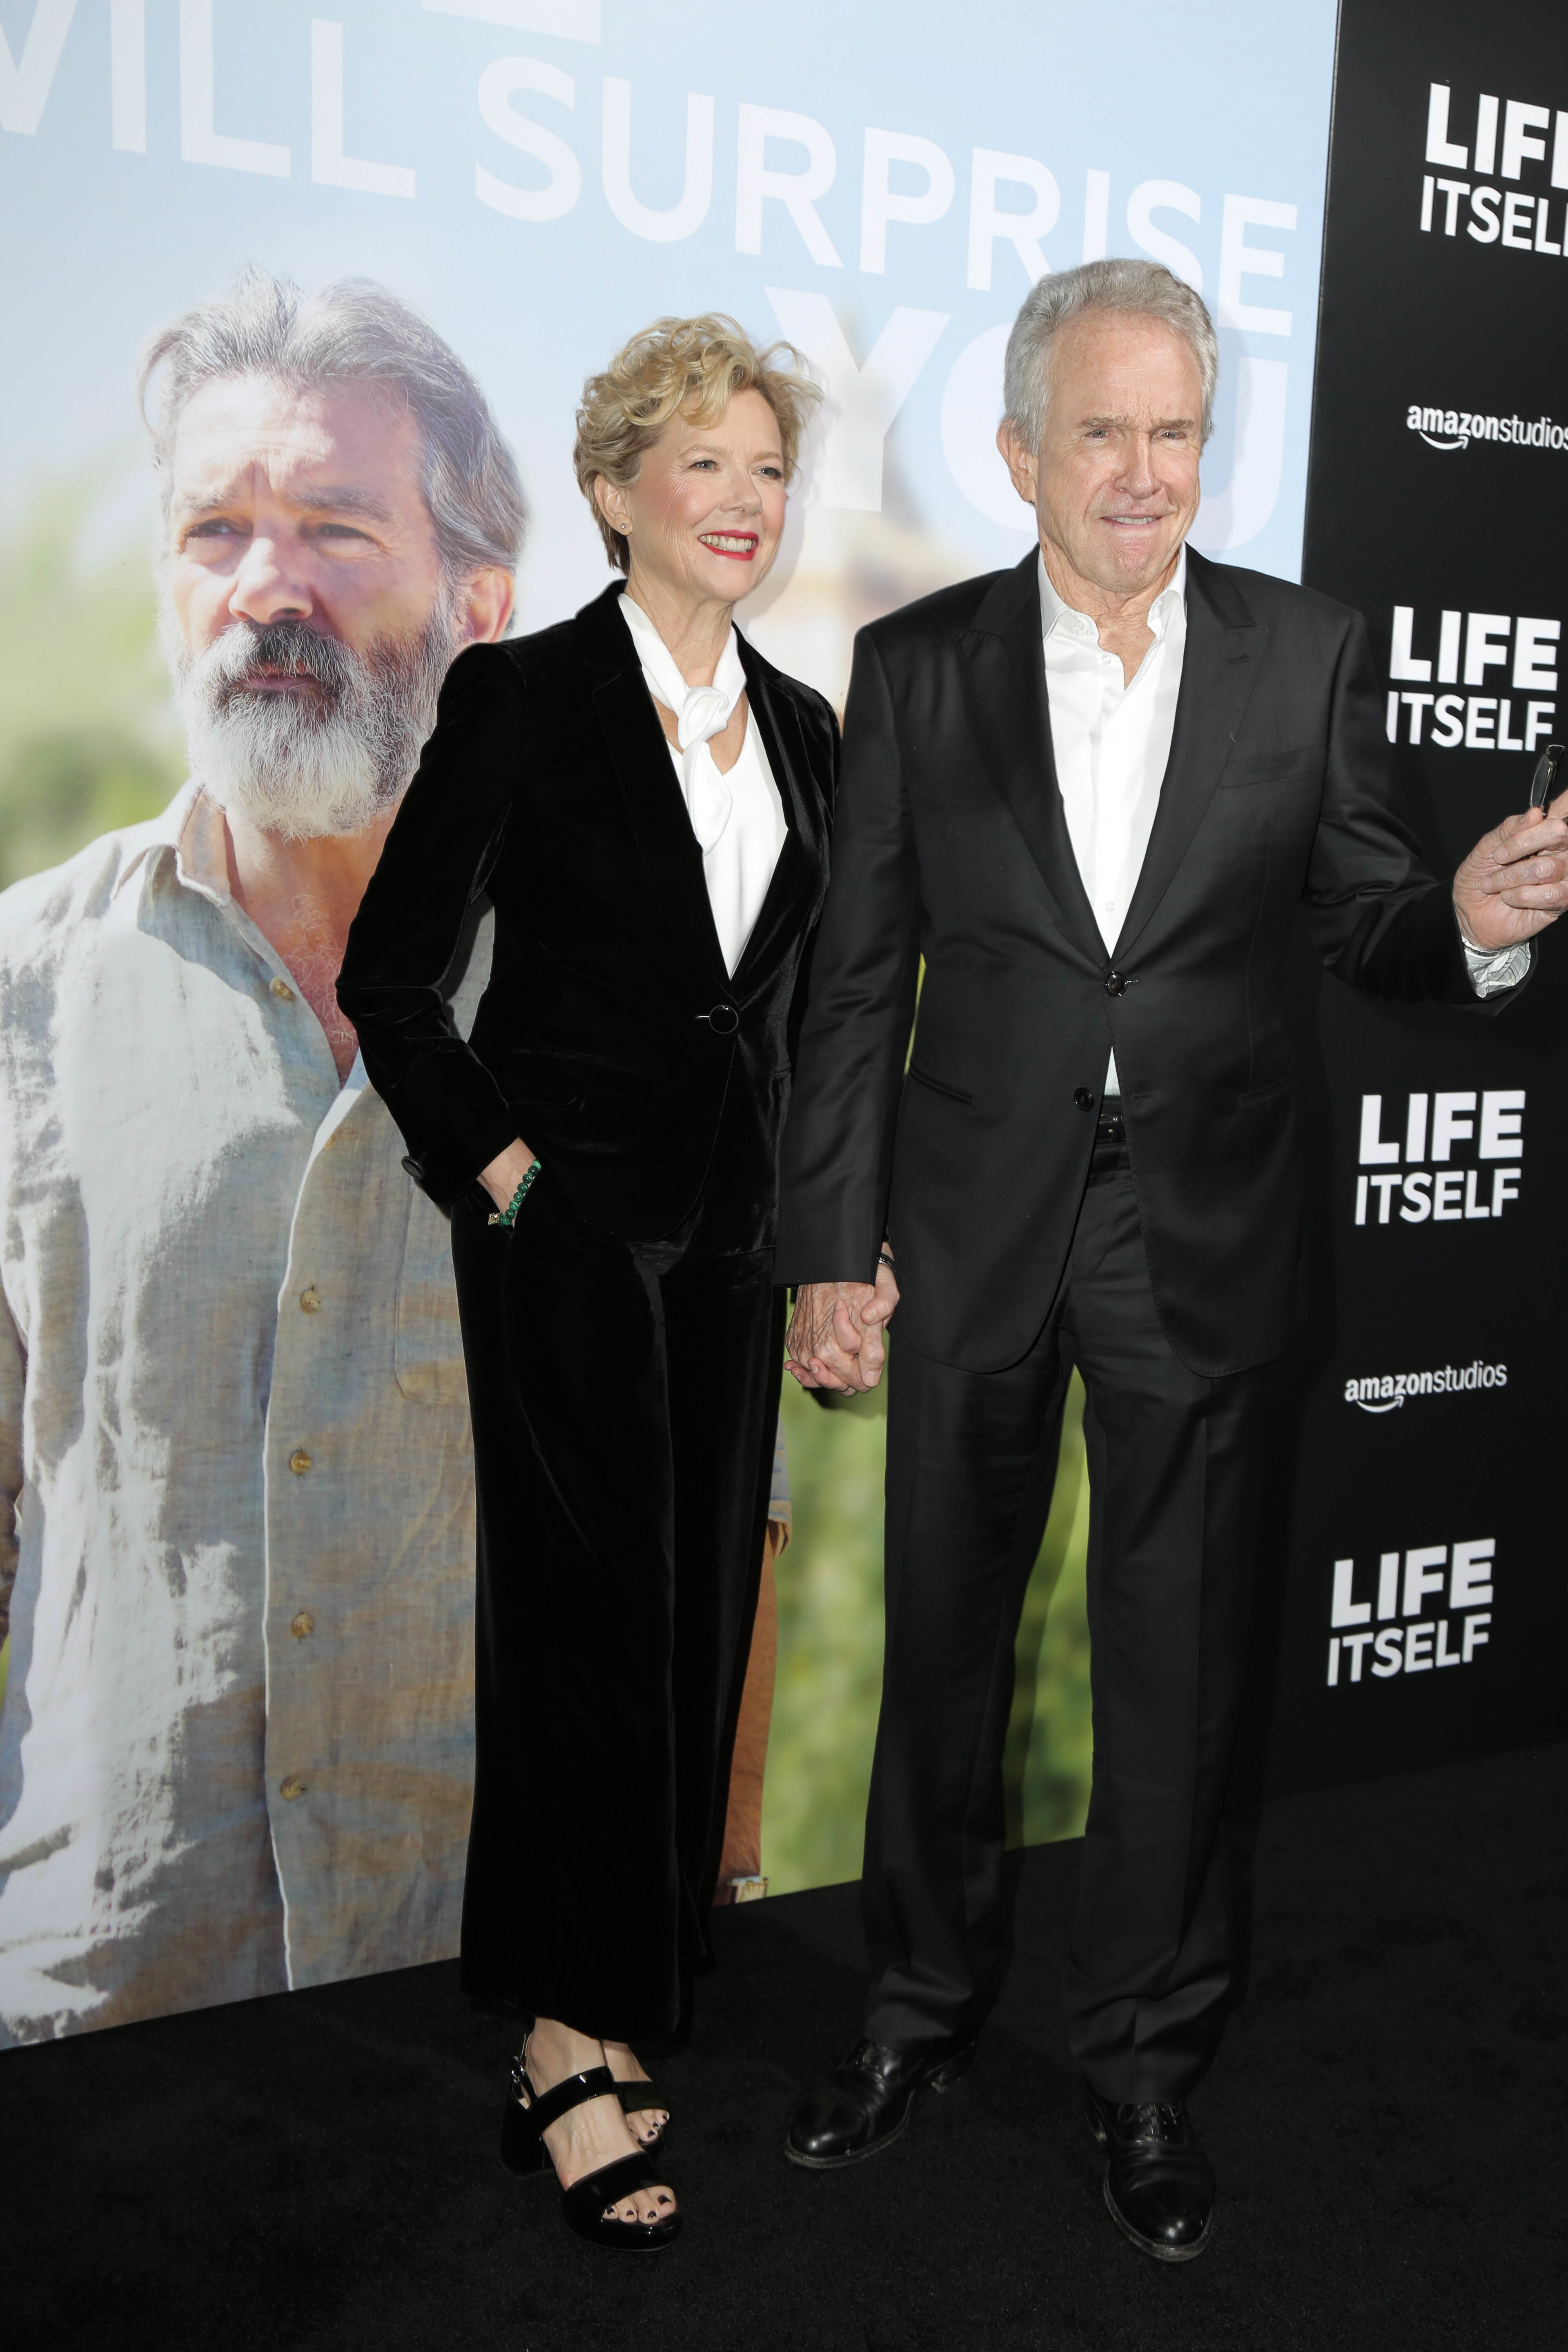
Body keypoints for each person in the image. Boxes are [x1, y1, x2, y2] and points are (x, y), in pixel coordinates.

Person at [772, 258, 1567, 2262]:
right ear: (1020, 450)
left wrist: (1471, 921)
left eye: (1179, 433)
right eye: (1105, 432)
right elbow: (855, 983)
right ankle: (916, 2012)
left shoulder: (1307, 651)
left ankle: (1141, 2065)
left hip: (1202, 1234)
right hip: (969, 1228)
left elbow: (1368, 917)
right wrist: (828, 1246)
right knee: (943, 1658)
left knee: (1181, 1679)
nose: (1144, 473)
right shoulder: (919, 665)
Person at [337, 316, 835, 2251]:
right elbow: (395, 977)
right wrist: (510, 1180)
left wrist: (823, 1233)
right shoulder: (524, 696)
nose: (744, 499)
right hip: (563, 1249)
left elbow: (800, 1019)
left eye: (768, 468)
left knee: (695, 1620)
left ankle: (622, 1994)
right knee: (578, 1631)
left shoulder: (809, 730)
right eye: (703, 463)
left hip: (729, 1248)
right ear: (618, 490)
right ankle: (559, 2036)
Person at [0, 270, 522, 2046]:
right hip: (109, 1990)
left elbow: (711, 1493)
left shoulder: (611, 1010)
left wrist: (718, 1872)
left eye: (335, 529)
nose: (266, 587)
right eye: (215, 531)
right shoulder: (25, 992)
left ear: (481, 605)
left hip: (489, 1972)